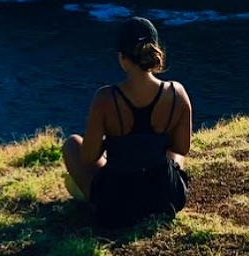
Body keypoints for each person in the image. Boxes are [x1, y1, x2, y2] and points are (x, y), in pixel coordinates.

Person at [62, 16, 192, 228]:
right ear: (154, 54)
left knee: (71, 144)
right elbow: (181, 148)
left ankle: (97, 205)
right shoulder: (177, 93)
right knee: (171, 154)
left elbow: (88, 157)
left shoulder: (105, 98)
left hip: (116, 202)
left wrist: (107, 142)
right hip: (164, 197)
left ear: (122, 58)